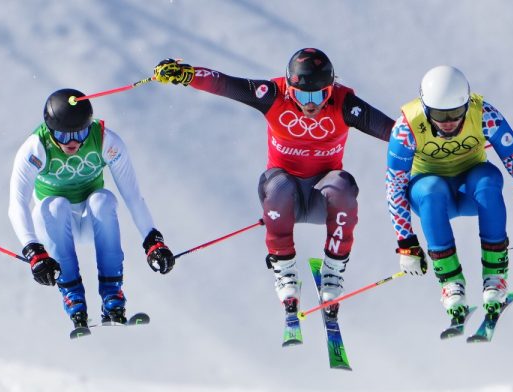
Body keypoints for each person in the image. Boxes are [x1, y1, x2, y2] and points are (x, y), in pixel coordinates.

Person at [152, 48, 395, 318]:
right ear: (290, 88)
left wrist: (430, 143)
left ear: (331, 88)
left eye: (319, 95)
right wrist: (187, 74)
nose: (311, 104)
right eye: (303, 95)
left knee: (343, 186)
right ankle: (285, 271)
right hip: (282, 197)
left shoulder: (345, 104)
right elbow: (224, 83)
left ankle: (334, 272)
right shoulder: (272, 95)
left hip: (321, 200)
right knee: (279, 185)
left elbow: (392, 132)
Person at [386, 65, 513, 322]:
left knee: (487, 179)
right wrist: (406, 243)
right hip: (431, 198)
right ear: (426, 109)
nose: (449, 122)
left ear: (466, 103)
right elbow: (395, 185)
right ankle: (451, 283)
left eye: (456, 112)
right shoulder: (406, 128)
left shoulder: (484, 114)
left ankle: (495, 277)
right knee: (431, 189)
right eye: (440, 115)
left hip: (470, 191)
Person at [8, 88, 176, 329]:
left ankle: (112, 298)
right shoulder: (36, 147)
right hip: (54, 226)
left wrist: (153, 240)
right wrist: (33, 250)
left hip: (91, 222)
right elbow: (16, 204)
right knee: (54, 206)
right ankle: (73, 299)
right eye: (64, 136)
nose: (73, 142)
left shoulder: (106, 141)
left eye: (81, 132)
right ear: (50, 130)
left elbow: (133, 196)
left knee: (103, 200)